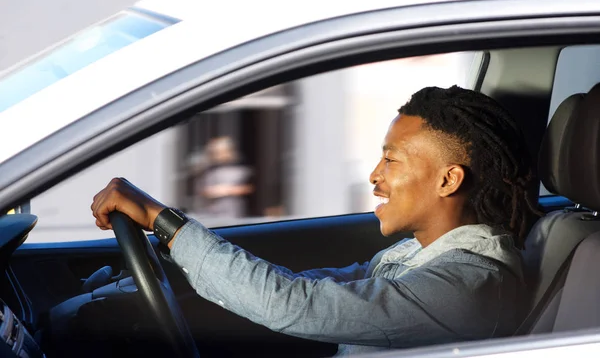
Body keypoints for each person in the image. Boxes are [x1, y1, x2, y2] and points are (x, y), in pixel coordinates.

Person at [90, 86, 540, 356]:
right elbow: (304, 286)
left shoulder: (470, 284)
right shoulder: (417, 255)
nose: (375, 176)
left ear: (448, 179)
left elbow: (297, 305)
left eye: (391, 159)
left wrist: (161, 220)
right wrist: (176, 268)